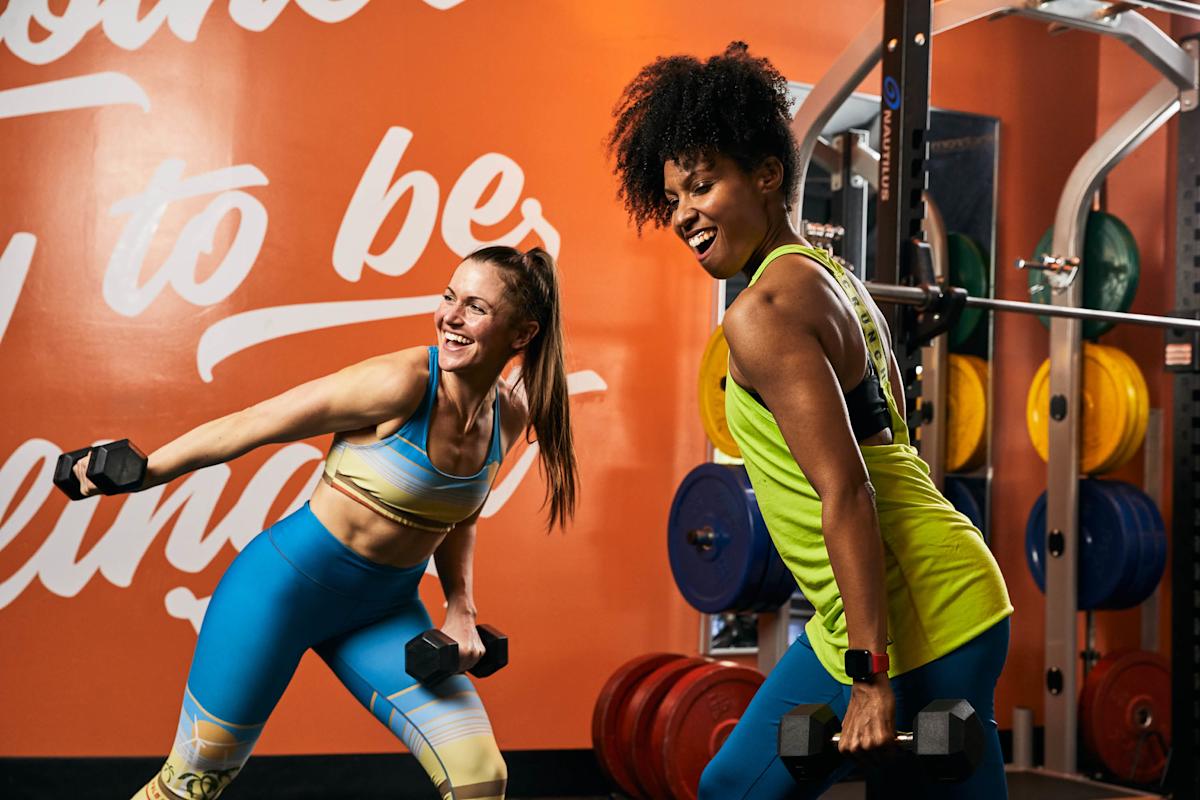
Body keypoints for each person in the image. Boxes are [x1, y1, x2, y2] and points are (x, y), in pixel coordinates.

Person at [608, 43, 1012, 799]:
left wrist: (870, 674)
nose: (684, 213)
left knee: (735, 789)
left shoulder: (760, 314)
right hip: (938, 591)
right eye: (672, 198)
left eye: (702, 185)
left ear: (766, 174)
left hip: (909, 607)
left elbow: (848, 491)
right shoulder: (834, 281)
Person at [69, 246, 576, 800]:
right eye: (449, 297)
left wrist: (461, 608)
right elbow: (258, 422)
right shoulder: (400, 383)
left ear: (521, 334)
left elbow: (459, 519)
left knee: (481, 774)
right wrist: (146, 472)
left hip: (386, 613)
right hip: (279, 594)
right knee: (191, 784)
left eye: (475, 307)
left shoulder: (510, 416)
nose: (449, 317)